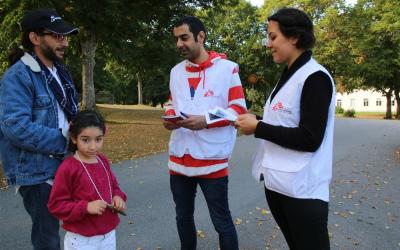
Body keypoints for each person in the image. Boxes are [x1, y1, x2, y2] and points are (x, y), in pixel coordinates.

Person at [235, 8, 335, 250]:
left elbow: (309, 138)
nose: (268, 44)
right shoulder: (290, 74)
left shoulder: (314, 77)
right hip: (279, 186)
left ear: (294, 37)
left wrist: (258, 127)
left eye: (273, 37)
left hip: (303, 191)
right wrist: (256, 119)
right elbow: (285, 122)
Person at [163, 16, 247, 250]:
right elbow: (172, 101)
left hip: (212, 161)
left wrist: (207, 121)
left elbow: (238, 109)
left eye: (184, 37)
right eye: (176, 39)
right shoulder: (176, 71)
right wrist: (169, 115)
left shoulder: (227, 69)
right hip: (179, 159)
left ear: (201, 36)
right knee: (183, 218)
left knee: (221, 222)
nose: (179, 44)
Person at [0, 8, 78, 250]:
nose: (63, 42)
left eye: (65, 37)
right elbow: (15, 127)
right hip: (37, 171)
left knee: (78, 230)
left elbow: (67, 114)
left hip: (66, 162)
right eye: (57, 36)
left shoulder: (60, 72)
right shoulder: (18, 76)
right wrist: (65, 140)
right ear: (35, 38)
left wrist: (86, 129)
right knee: (48, 241)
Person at [47, 110, 127, 250]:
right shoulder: (68, 168)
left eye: (98, 139)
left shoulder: (102, 160)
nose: (93, 146)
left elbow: (113, 186)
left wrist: (117, 196)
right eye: (85, 140)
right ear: (73, 138)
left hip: (108, 236)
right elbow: (56, 205)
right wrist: (86, 207)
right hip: (81, 240)